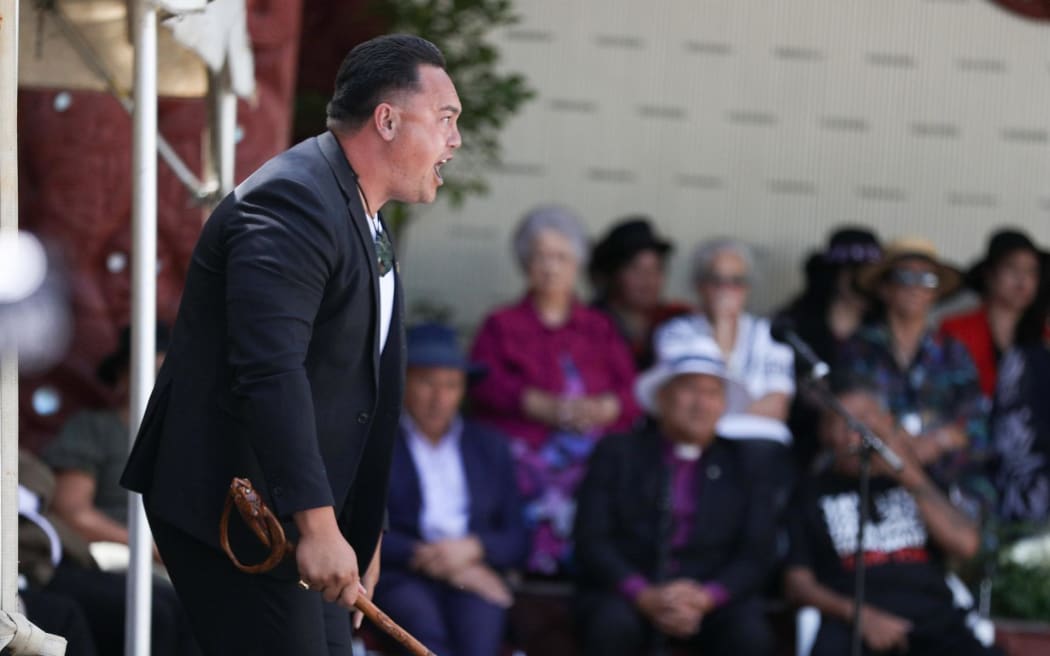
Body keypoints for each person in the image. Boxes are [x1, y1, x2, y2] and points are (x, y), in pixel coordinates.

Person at [120, 34, 462, 656]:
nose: (455, 140)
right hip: (237, 508)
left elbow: (354, 389)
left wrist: (364, 531)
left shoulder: (359, 208)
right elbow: (271, 373)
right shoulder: (294, 200)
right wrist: (320, 526)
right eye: (445, 118)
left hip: (299, 514)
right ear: (386, 120)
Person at [574, 333, 776, 656]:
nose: (701, 403)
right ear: (663, 397)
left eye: (712, 392)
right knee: (610, 626)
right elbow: (591, 538)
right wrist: (643, 594)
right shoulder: (618, 453)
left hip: (712, 597)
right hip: (630, 590)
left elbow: (757, 551)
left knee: (750, 637)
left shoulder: (746, 463)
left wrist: (706, 598)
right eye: (690, 389)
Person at [470, 205, 640, 576]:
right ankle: (528, 566)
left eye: (561, 257)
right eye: (540, 257)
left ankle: (590, 570)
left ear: (577, 264)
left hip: (592, 448)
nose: (550, 267)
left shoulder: (599, 327)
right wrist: (530, 402)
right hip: (525, 447)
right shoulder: (501, 323)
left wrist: (607, 407)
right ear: (525, 263)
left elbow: (633, 393)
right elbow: (480, 383)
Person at [784, 378, 1001, 656]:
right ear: (826, 433)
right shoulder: (811, 492)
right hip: (853, 623)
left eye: (866, 419)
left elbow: (966, 545)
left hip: (933, 621)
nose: (857, 431)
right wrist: (858, 615)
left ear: (887, 422)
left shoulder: (919, 480)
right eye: (844, 422)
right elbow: (797, 585)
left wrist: (906, 473)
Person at [374, 323, 528, 656]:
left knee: (479, 639)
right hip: (402, 572)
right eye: (427, 382)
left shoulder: (489, 446)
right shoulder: (380, 443)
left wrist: (473, 548)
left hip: (473, 567)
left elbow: (516, 537)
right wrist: (430, 558)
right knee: (424, 637)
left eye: (451, 385)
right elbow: (362, 526)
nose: (439, 398)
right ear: (403, 381)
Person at [842, 237, 987, 494]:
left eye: (927, 280)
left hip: (947, 475)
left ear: (936, 293)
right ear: (884, 288)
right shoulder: (858, 347)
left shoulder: (953, 351)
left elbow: (976, 423)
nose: (915, 288)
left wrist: (937, 441)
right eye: (905, 277)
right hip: (877, 470)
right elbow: (852, 413)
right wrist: (902, 443)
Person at [44, 324, 169, 559]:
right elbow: (72, 512)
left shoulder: (192, 439)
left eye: (168, 375)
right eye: (153, 372)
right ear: (122, 376)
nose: (160, 384)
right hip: (116, 560)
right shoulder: (93, 427)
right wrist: (151, 551)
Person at [654, 238, 795, 428]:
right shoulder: (675, 332)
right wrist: (723, 326)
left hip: (760, 438)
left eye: (736, 281)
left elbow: (777, 408)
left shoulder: (769, 332)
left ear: (748, 287)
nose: (726, 290)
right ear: (700, 285)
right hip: (700, 435)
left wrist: (718, 409)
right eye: (717, 281)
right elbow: (682, 402)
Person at [777, 228, 882, 469]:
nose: (863, 284)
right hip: (799, 447)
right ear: (835, 274)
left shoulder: (883, 330)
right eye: (856, 273)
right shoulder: (794, 325)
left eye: (871, 276)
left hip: (867, 450)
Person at [941, 229, 1048, 398]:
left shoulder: (1045, 335)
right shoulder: (955, 330)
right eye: (1012, 268)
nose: (1022, 279)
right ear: (989, 274)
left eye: (1031, 271)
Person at [588, 216, 689, 368]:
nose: (648, 279)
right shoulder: (589, 326)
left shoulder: (676, 321)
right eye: (635, 269)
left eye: (656, 268)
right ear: (612, 274)